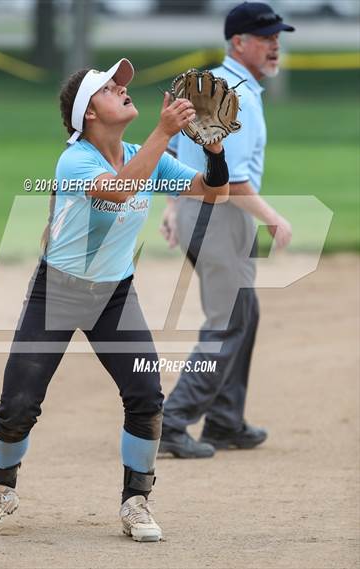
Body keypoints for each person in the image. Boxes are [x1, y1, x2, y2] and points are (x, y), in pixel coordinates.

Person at [0, 58, 230, 541]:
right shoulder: (75, 159)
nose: (123, 90)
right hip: (59, 292)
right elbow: (116, 192)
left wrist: (213, 153)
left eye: (121, 85)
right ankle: (1, 486)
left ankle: (136, 500)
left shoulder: (140, 151)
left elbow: (210, 192)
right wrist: (162, 133)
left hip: (115, 295)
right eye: (110, 89)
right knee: (19, 405)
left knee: (146, 396)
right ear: (88, 114)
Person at [159, 2, 294, 459]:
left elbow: (178, 143)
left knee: (244, 313)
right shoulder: (233, 91)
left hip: (210, 214)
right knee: (229, 319)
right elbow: (233, 180)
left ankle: (224, 419)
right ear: (239, 42)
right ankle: (172, 422)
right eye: (266, 36)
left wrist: (173, 203)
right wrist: (272, 216)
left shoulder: (216, 84)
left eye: (277, 36)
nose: (276, 44)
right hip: (219, 214)